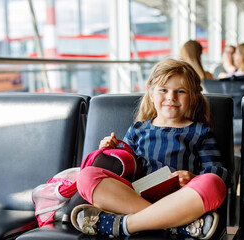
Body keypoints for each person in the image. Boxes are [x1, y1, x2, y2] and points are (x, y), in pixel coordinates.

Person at [71, 58, 228, 239]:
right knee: (87, 176)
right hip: (136, 197)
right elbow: (126, 168)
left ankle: (124, 224)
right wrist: (109, 152)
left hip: (182, 199)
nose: (171, 97)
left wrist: (194, 177)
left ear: (192, 97)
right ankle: (178, 225)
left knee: (213, 183)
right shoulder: (138, 130)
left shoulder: (200, 132)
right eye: (163, 90)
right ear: (151, 95)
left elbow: (217, 171)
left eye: (180, 91)